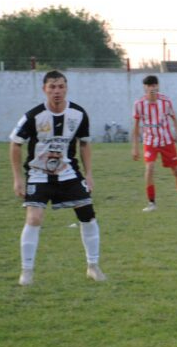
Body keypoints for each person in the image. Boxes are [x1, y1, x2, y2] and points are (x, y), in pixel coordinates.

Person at [9, 70, 106, 286]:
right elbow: (15, 143)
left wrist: (89, 174)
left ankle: (93, 266)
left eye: (61, 86)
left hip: (69, 173)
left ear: (66, 88)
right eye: (52, 87)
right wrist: (17, 178)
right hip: (38, 174)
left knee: (88, 215)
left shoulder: (78, 114)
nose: (57, 91)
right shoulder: (33, 116)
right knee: (34, 219)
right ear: (44, 89)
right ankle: (27, 272)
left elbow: (85, 143)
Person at [132, 75, 177, 212]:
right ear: (145, 88)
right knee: (149, 169)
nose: (152, 88)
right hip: (150, 141)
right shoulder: (139, 104)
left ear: (158, 86)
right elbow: (136, 127)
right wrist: (135, 148)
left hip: (166, 140)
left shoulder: (166, 101)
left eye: (154, 85)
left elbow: (174, 118)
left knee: (176, 171)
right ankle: (151, 203)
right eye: (149, 86)